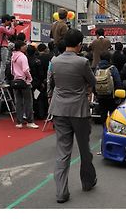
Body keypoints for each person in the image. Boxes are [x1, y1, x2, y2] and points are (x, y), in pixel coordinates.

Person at [48, 29, 97, 204]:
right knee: (84, 149)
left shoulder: (54, 61)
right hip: (79, 110)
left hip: (59, 109)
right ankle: (87, 182)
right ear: (79, 44)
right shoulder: (82, 62)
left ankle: (61, 192)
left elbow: (53, 83)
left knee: (62, 151)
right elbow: (93, 81)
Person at [11, 41, 38, 128]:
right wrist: (30, 78)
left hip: (16, 80)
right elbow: (26, 70)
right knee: (28, 102)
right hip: (24, 81)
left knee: (18, 102)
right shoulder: (23, 57)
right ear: (20, 47)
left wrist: (16, 76)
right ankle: (30, 121)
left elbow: (12, 70)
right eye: (24, 45)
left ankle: (19, 122)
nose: (26, 46)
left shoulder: (13, 56)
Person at [94, 51, 123, 119]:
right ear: (110, 59)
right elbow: (118, 82)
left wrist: (96, 93)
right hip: (111, 96)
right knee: (112, 114)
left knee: (103, 113)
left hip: (100, 95)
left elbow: (93, 81)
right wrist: (117, 95)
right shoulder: (112, 68)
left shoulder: (97, 69)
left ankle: (104, 124)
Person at [0, 15, 17, 84]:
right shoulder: (1, 28)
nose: (9, 23)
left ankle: (1, 79)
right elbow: (11, 33)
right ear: (6, 21)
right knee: (3, 64)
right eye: (9, 21)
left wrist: (12, 26)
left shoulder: (2, 27)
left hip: (4, 47)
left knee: (4, 64)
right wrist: (12, 25)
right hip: (3, 47)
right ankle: (1, 81)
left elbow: (10, 35)